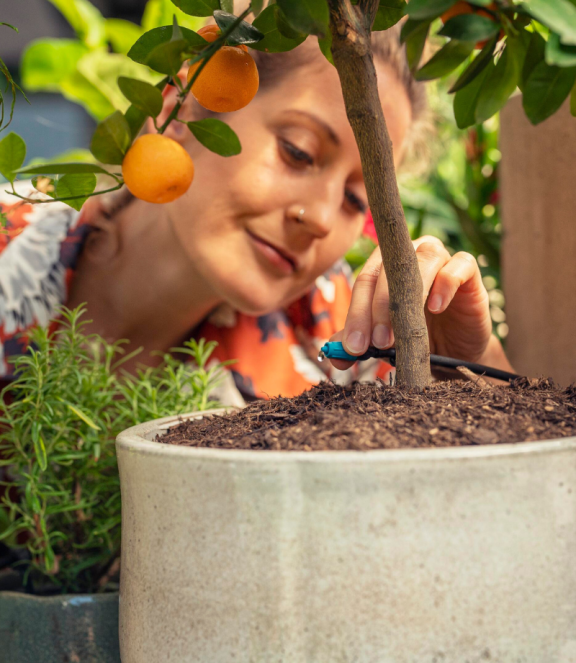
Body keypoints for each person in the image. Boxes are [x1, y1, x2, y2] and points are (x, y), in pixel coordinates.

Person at [0, 28, 513, 406]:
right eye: (298, 151)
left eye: (358, 201)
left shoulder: (337, 346)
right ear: (187, 108)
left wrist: (468, 361)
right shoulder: (10, 245)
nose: (318, 218)